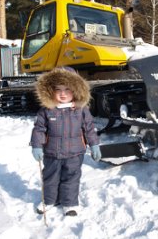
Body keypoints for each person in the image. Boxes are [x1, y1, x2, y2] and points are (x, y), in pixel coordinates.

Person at [30, 67, 101, 217]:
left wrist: (94, 145)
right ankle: (50, 200)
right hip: (52, 153)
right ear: (51, 90)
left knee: (71, 178)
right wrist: (36, 146)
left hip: (75, 153)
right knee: (50, 178)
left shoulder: (81, 110)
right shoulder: (47, 110)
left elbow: (89, 128)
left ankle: (69, 203)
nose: (63, 94)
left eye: (67, 89)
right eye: (58, 89)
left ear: (76, 90)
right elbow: (39, 129)